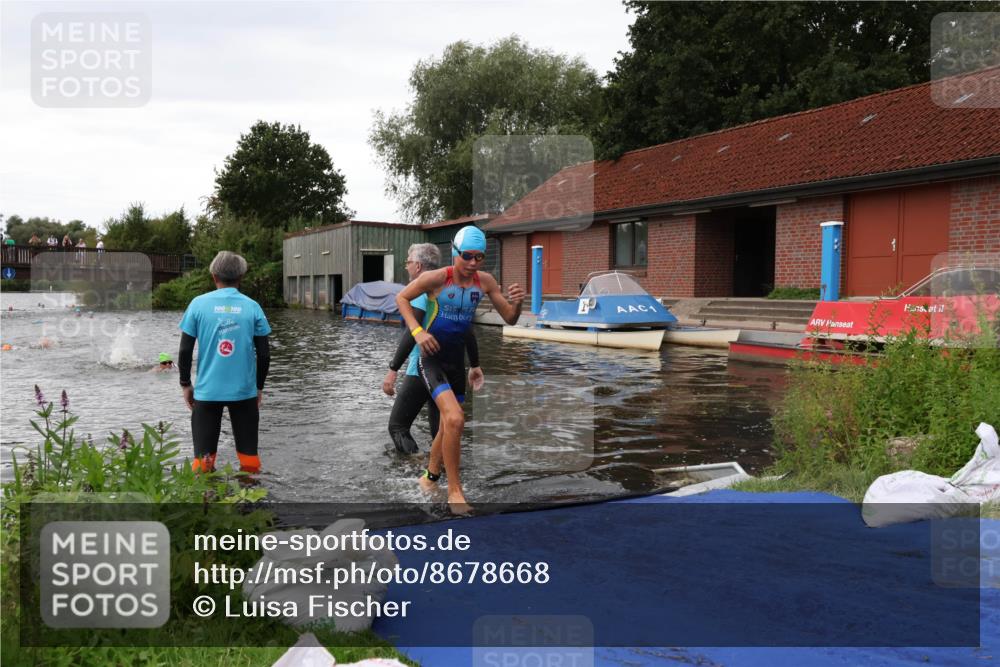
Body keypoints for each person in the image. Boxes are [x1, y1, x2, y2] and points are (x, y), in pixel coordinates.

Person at [396, 226, 524, 514]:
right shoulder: (437, 278)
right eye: (467, 256)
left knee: (446, 426)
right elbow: (401, 298)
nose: (473, 263)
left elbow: (510, 319)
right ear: (455, 252)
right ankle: (455, 492)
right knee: (455, 419)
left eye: (479, 257)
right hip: (430, 359)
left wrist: (517, 303)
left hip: (457, 362)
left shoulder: (486, 282)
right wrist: (417, 332)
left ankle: (429, 479)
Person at [383, 243, 483, 455]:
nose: (407, 267)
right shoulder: (451, 286)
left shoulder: (422, 287)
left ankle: (414, 466)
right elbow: (467, 330)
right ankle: (441, 477)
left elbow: (413, 332)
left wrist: (393, 370)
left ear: (418, 266)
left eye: (408, 262)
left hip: (423, 367)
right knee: (440, 430)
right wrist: (474, 364)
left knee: (398, 426)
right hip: (449, 367)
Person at [177, 251, 272, 474]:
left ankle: (207, 503)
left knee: (203, 462)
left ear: (213, 276)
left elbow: (184, 350)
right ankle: (250, 503)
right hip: (244, 394)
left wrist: (185, 384)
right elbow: (265, 354)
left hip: (207, 393)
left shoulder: (198, 305)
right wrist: (258, 387)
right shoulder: (252, 307)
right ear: (241, 277)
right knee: (249, 460)